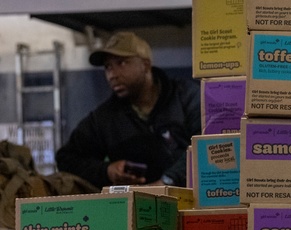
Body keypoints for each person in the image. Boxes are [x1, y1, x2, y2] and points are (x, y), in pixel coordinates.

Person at [55, 31, 200, 188]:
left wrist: (168, 181)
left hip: (193, 202)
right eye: (108, 67)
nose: (112, 75)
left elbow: (206, 144)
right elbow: (66, 158)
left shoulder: (185, 96)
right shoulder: (105, 118)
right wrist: (107, 171)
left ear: (145, 65)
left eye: (122, 63)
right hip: (140, 208)